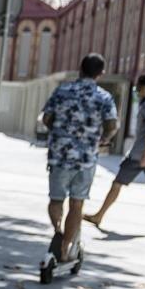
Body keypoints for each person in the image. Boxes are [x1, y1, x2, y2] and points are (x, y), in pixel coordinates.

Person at [41, 53, 118, 262]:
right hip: (86, 159)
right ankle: (66, 247)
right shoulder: (104, 97)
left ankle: (57, 232)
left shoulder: (62, 90)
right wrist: (101, 139)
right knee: (77, 204)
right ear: (101, 73)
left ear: (80, 69)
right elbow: (112, 125)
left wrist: (58, 133)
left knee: (56, 199)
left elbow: (47, 117)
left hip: (59, 155)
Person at [84, 74, 145, 235]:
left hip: (140, 155)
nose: (136, 91)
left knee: (117, 183)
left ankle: (99, 216)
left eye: (138, 88)